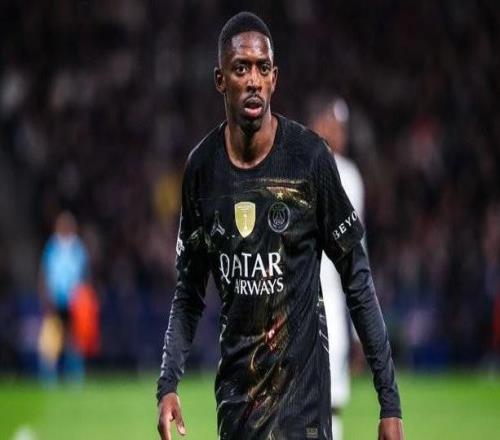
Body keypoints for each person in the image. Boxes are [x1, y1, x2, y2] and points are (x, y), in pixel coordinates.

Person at [157, 12, 403, 440]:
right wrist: (168, 383)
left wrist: (390, 403)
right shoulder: (202, 170)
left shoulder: (309, 160)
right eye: (241, 68)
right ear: (220, 80)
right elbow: (189, 291)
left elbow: (357, 278)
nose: (253, 79)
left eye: (262, 68)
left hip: (302, 410)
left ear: (275, 78)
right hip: (237, 407)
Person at [309, 95, 366, 440]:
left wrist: (359, 330)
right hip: (295, 295)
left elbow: (358, 253)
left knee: (333, 401)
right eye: (333, 123)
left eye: (343, 127)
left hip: (331, 297)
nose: (339, 132)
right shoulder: (295, 164)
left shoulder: (350, 176)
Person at [38, 211, 89, 383]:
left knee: (73, 338)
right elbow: (45, 273)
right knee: (52, 337)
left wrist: (82, 297)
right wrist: (46, 296)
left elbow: (84, 274)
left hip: (74, 300)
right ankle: (48, 375)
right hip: (55, 299)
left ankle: (75, 374)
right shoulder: (52, 247)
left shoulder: (77, 248)